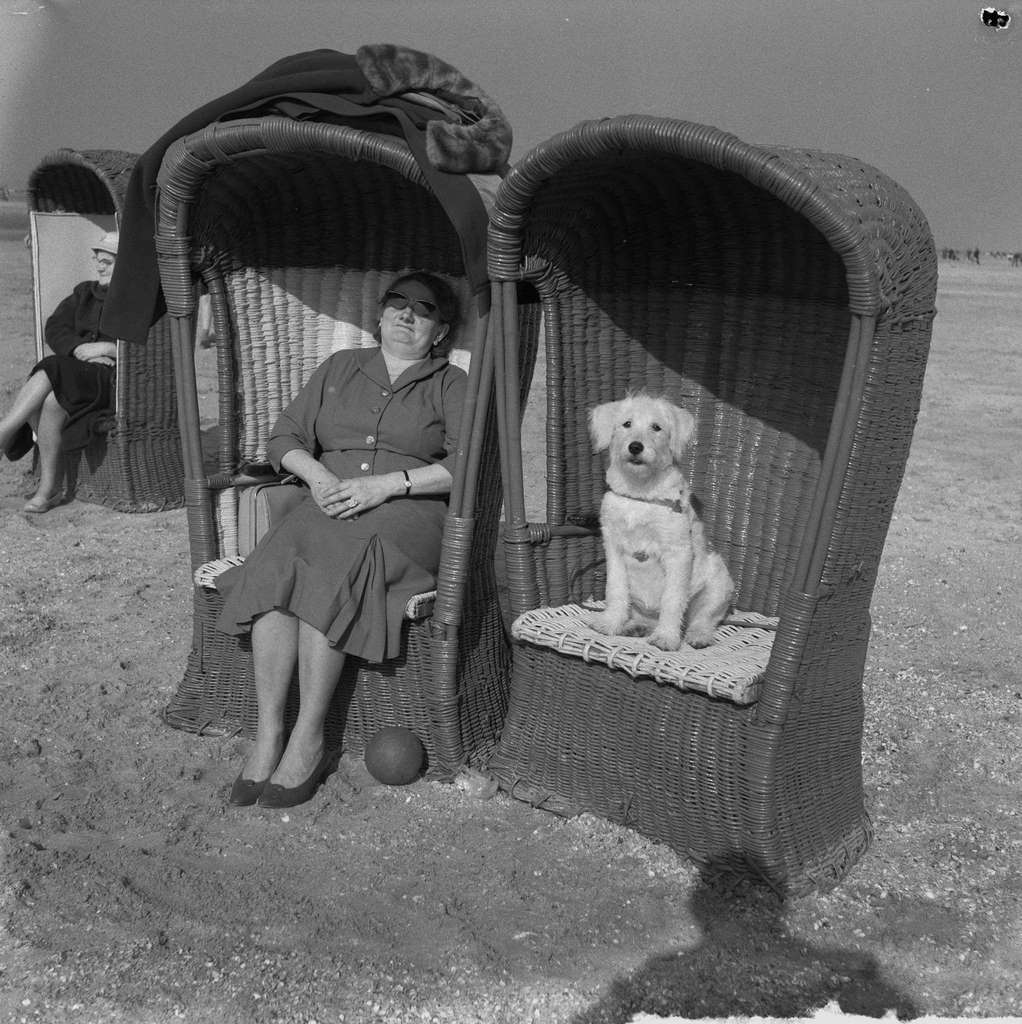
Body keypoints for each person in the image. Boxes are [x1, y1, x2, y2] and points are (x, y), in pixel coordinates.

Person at [215, 271, 467, 809]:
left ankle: (309, 737)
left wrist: (387, 485)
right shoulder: (340, 368)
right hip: (326, 500)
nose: (406, 315)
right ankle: (268, 735)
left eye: (423, 310)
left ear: (440, 331)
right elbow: (284, 437)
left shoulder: (453, 384)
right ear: (379, 316)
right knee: (279, 561)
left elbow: (467, 463)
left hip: (408, 512)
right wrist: (320, 478)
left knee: (336, 559)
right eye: (397, 303)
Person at [0, 231, 120, 512]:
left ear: (123, 264)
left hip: (111, 379)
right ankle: (48, 489)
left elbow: (146, 344)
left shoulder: (131, 300)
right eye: (98, 260)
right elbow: (54, 327)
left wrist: (107, 348)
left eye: (108, 262)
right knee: (53, 401)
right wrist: (79, 348)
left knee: (52, 366)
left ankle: (6, 430)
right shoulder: (84, 293)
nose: (99, 266)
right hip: (75, 375)